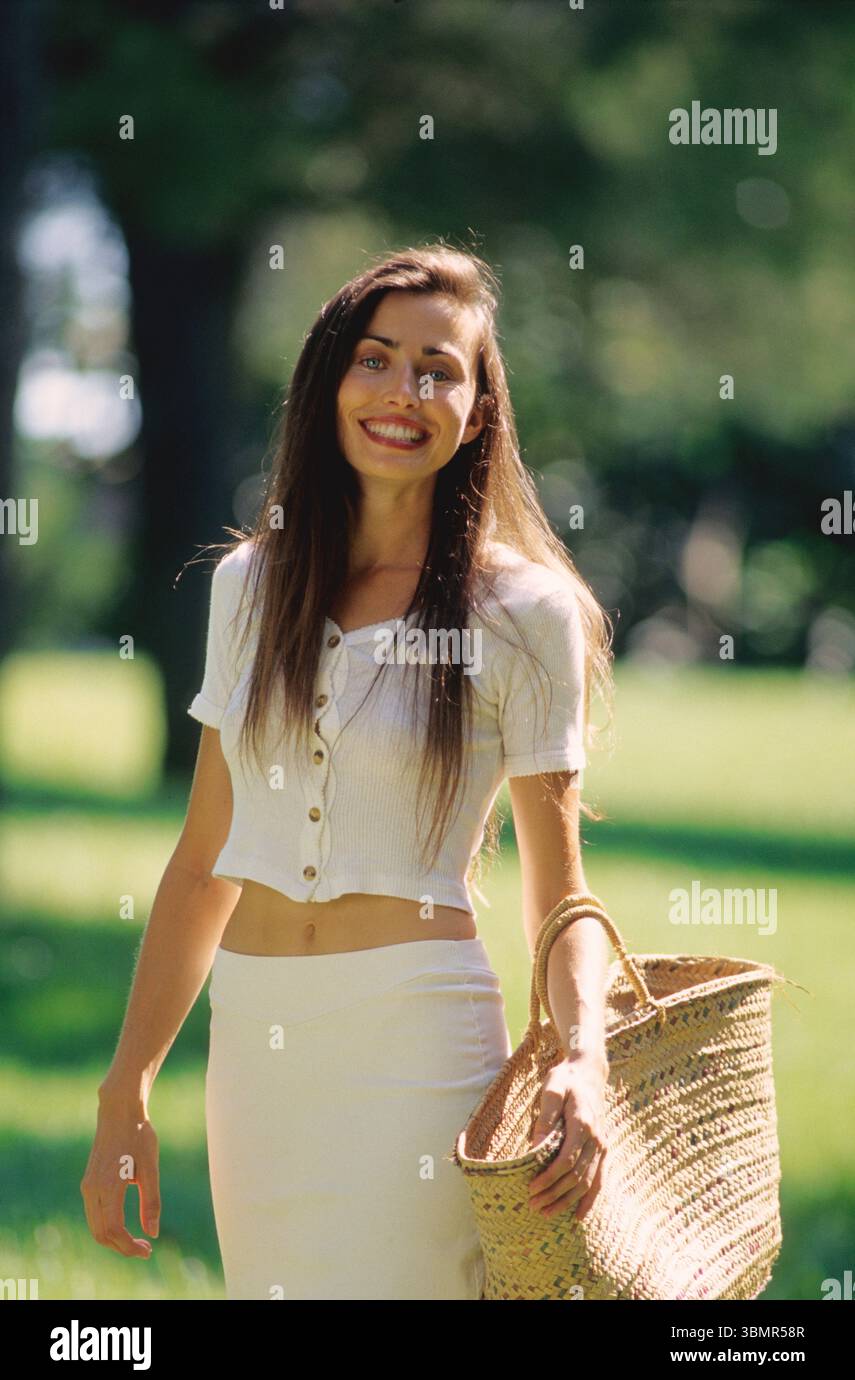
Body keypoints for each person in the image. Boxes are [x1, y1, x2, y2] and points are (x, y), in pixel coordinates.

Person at [81, 243, 616, 1300]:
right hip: (259, 1045)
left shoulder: (527, 613)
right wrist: (126, 1086)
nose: (403, 393)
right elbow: (202, 866)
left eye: (438, 369)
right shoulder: (250, 584)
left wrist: (582, 1056)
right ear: (329, 380)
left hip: (418, 1040)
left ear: (478, 406)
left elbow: (564, 893)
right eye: (375, 359)